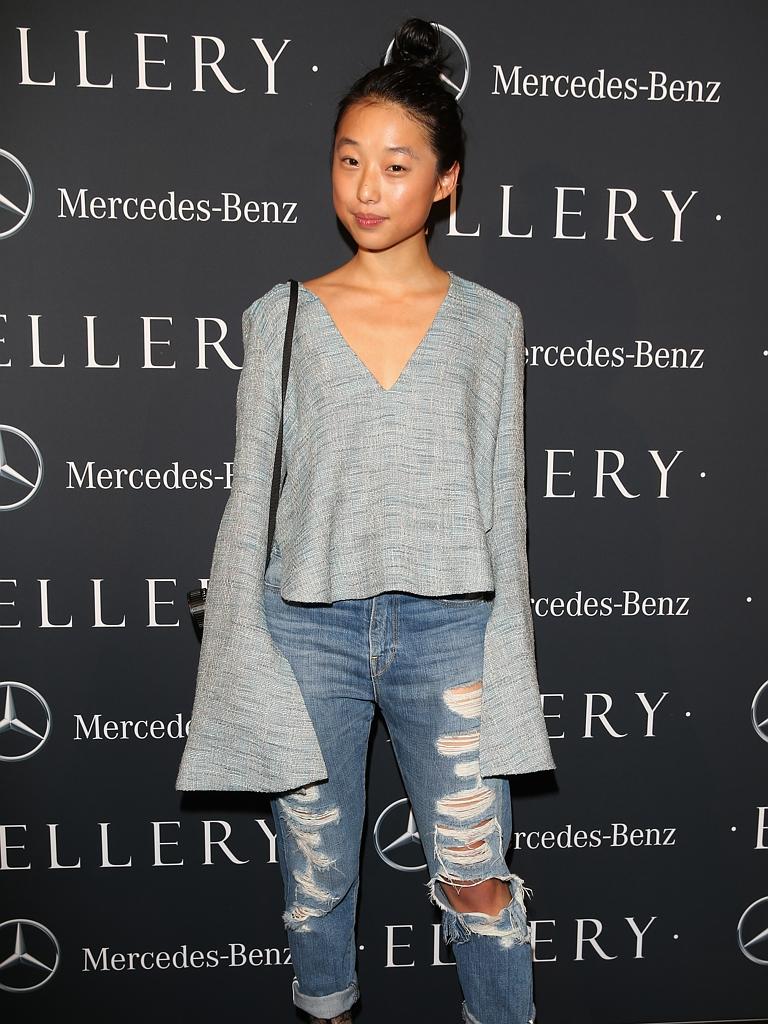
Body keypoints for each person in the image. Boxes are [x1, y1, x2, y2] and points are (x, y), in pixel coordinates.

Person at [175, 17, 556, 1024]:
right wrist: (241, 654)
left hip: (452, 633)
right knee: (315, 883)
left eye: (395, 164)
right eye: (350, 160)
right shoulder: (281, 315)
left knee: (478, 874)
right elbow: (249, 498)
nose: (366, 186)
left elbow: (503, 514)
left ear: (445, 180)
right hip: (307, 629)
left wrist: (512, 670)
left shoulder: (490, 325)